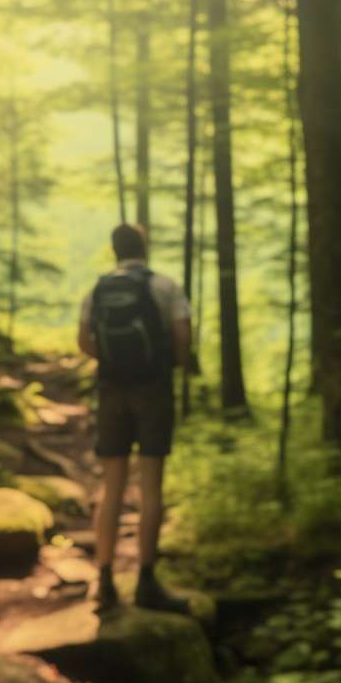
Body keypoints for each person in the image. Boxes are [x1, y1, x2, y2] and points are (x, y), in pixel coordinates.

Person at [78, 223, 193, 613]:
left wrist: (112, 362)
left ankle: (105, 580)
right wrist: (168, 364)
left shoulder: (98, 289)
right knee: (151, 487)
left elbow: (83, 342)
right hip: (153, 390)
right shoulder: (164, 286)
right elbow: (183, 337)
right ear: (144, 247)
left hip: (111, 391)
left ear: (114, 250)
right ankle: (146, 580)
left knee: (111, 486)